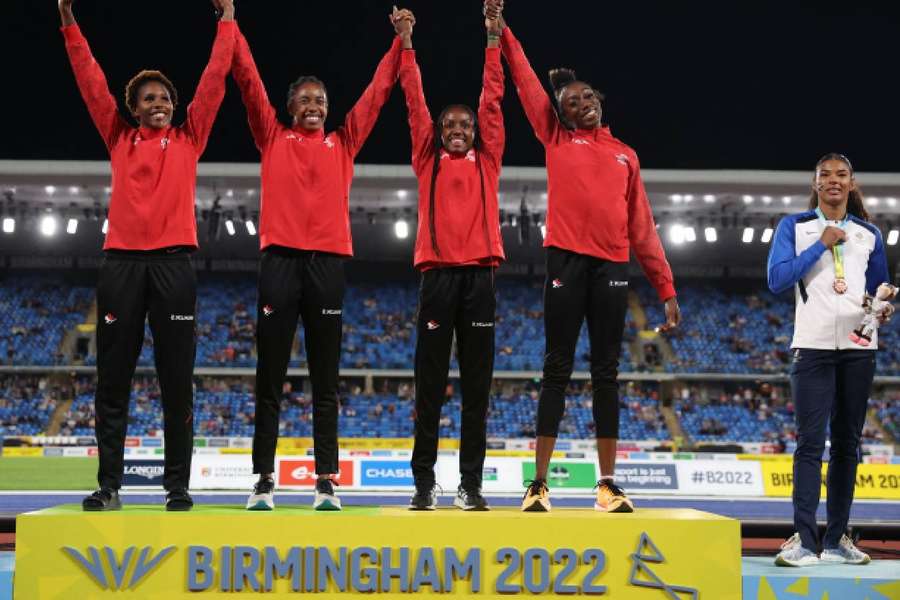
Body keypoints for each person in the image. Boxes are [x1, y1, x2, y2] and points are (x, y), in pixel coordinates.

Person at [485, 0, 680, 513]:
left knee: (606, 373)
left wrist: (665, 287)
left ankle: (608, 485)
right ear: (561, 113)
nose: (581, 104)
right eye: (571, 101)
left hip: (612, 268)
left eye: (587, 96)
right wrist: (503, 33)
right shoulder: (555, 137)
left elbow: (642, 228)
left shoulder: (626, 155)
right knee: (556, 369)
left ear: (600, 100)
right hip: (565, 263)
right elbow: (528, 84)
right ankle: (539, 484)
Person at [59, 0, 235, 512]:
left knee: (176, 380)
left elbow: (215, 78)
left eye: (163, 97)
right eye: (147, 98)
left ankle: (177, 486)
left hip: (174, 266)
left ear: (174, 106)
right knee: (112, 378)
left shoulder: (189, 137)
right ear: (133, 108)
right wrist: (69, 19)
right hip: (121, 266)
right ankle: (109, 485)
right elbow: (89, 78)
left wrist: (227, 20)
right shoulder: (118, 136)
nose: (157, 102)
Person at [232, 6, 405, 511]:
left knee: (325, 380)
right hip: (280, 262)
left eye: (321, 100)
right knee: (270, 377)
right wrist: (231, 22)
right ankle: (263, 479)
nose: (314, 105)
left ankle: (325, 481)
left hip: (327, 265)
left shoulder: (343, 143)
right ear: (289, 108)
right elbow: (247, 79)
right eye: (305, 99)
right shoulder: (272, 136)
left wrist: (400, 43)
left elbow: (376, 94)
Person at [398, 7, 506, 511]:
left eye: (465, 123)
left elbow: (493, 97)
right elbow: (414, 100)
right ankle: (424, 484)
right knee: (430, 389)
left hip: (480, 280)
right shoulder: (427, 160)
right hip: (438, 279)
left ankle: (472, 485)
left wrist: (492, 37)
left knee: (476, 392)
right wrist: (407, 44)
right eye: (450, 124)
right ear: (439, 131)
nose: (459, 128)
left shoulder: (488, 159)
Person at [768, 153, 892, 566]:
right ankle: (805, 540)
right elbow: (777, 280)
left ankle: (838, 538)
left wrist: (884, 307)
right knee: (808, 444)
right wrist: (821, 245)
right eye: (826, 175)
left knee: (847, 446)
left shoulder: (869, 234)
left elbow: (877, 291)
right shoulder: (795, 227)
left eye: (842, 175)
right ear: (816, 183)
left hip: (859, 350)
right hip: (813, 347)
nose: (834, 181)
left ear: (851, 183)